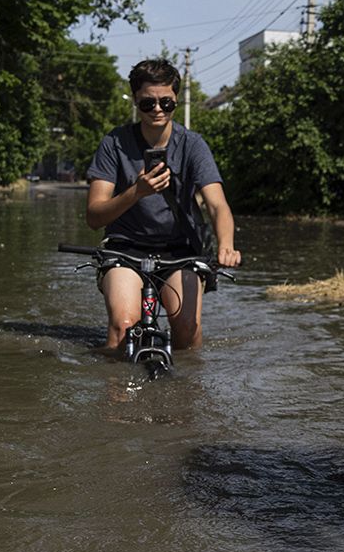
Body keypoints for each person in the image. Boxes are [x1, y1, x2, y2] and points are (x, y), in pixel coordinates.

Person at [85, 59, 243, 351]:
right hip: (125, 248)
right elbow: (94, 215)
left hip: (180, 252)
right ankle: (115, 391)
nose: (157, 110)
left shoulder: (193, 145)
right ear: (135, 101)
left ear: (176, 100)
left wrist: (226, 245)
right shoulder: (113, 143)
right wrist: (137, 192)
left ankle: (187, 392)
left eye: (166, 103)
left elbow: (217, 205)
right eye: (148, 103)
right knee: (122, 327)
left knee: (187, 329)